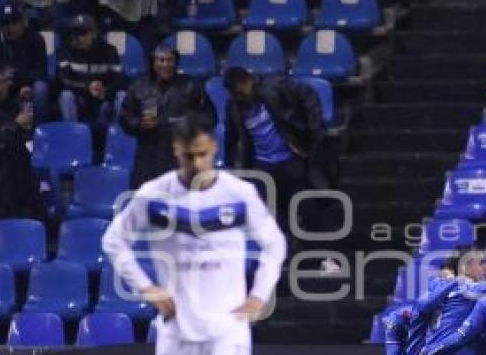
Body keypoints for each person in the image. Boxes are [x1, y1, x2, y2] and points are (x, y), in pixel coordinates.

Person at [101, 113, 287, 355]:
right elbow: (114, 241)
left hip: (228, 320)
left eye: (203, 155)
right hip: (180, 325)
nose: (198, 164)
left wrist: (258, 295)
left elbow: (274, 243)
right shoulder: (154, 196)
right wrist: (147, 287)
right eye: (189, 156)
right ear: (176, 152)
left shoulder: (238, 193)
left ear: (213, 148)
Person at [223, 67, 325, 238]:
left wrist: (315, 128)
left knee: (306, 209)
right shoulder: (233, 105)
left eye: (239, 92)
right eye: (234, 94)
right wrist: (230, 165)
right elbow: (231, 137)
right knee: (275, 219)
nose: (238, 97)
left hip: (290, 158)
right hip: (263, 166)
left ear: (247, 82)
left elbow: (309, 95)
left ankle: (317, 249)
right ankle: (287, 251)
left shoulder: (276, 86)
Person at [119, 44, 216, 189]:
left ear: (176, 63)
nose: (166, 65)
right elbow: (125, 117)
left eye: (170, 60)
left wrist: (188, 125)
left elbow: (210, 117)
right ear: (153, 62)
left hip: (181, 154)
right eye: (161, 60)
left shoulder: (191, 86)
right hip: (148, 155)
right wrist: (140, 123)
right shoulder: (139, 87)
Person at [0, 66, 46, 219]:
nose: (7, 84)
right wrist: (15, 124)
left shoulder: (3, 104)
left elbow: (25, 128)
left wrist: (25, 101)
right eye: (2, 81)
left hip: (17, 170)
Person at [0, 2, 50, 120]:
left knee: (40, 88)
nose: (9, 28)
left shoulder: (36, 39)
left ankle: (38, 127)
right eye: (5, 23)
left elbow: (42, 72)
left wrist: (18, 76)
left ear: (23, 21)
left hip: (25, 87)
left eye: (14, 22)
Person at [57, 14, 125, 130]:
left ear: (93, 33)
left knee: (122, 95)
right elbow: (63, 80)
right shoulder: (66, 50)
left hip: (104, 98)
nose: (77, 37)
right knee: (66, 96)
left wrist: (106, 91)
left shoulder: (109, 50)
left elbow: (119, 79)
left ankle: (116, 136)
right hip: (80, 97)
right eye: (75, 33)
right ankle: (73, 135)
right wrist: (87, 87)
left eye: (82, 33)